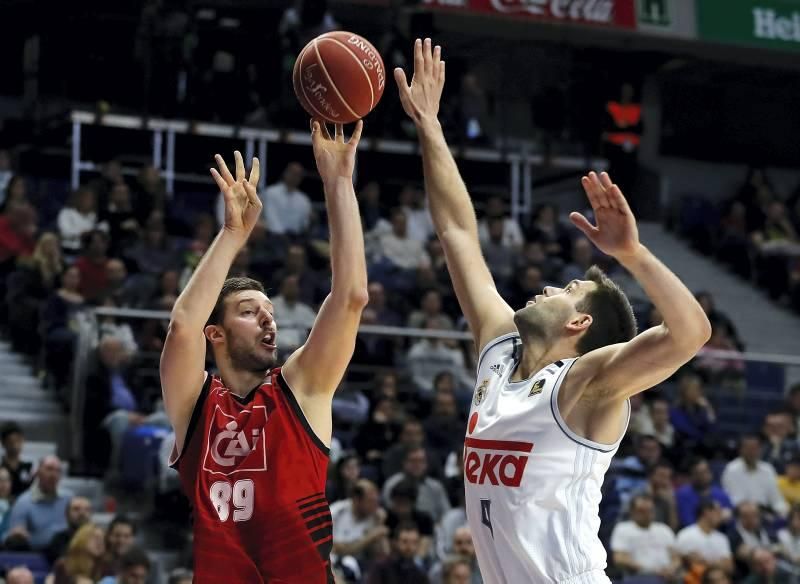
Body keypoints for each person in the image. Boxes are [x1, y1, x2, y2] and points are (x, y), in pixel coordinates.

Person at [395, 38, 712, 583]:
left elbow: (690, 335)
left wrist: (632, 254)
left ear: (579, 324)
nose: (545, 288)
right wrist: (429, 125)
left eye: (566, 289)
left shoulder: (587, 383)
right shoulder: (499, 352)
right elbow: (456, 233)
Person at [161, 120, 368, 583]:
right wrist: (233, 234)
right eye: (249, 311)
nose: (268, 318)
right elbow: (181, 327)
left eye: (269, 311)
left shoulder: (301, 389)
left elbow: (351, 295)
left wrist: (337, 181)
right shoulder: (195, 407)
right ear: (215, 334)